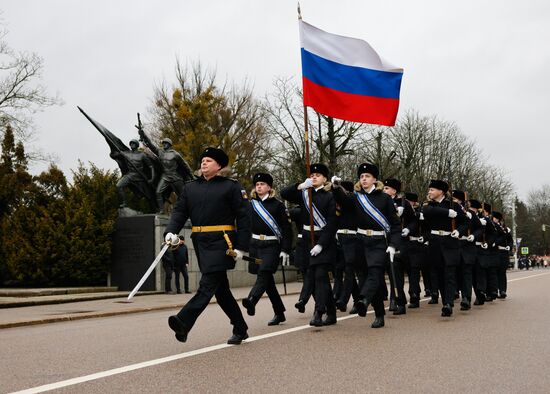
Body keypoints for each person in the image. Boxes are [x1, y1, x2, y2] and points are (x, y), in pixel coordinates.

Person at [165, 147, 251, 345]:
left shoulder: (231, 187)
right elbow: (179, 213)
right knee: (221, 291)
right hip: (201, 242)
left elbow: (244, 218)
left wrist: (241, 247)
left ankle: (184, 321)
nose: (204, 163)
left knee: (207, 285)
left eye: (209, 160)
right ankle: (240, 328)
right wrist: (170, 231)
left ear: (219, 166)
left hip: (223, 242)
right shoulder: (190, 188)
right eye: (203, 160)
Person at [333, 163, 401, 328]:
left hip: (378, 242)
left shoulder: (384, 198)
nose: (364, 179)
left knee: (375, 273)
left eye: (367, 176)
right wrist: (336, 187)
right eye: (362, 176)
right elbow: (343, 200)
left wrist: (393, 244)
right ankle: (378, 314)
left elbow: (395, 225)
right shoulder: (356, 197)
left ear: (374, 179)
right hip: (360, 242)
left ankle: (362, 300)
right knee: (365, 278)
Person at [281, 163, 338, 327]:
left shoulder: (330, 197)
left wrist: (321, 244)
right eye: (312, 175)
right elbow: (284, 193)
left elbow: (332, 223)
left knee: (320, 275)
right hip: (306, 238)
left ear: (325, 179)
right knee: (314, 277)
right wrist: (300, 186)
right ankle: (331, 312)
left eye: (318, 175)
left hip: (323, 239)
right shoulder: (304, 193)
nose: (314, 177)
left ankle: (318, 312)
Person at [242, 172, 292, 326]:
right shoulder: (251, 205)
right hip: (255, 245)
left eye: (262, 184)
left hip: (271, 246)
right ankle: (279, 313)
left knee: (264, 273)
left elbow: (286, 229)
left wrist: (285, 249)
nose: (259, 187)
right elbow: (245, 226)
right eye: (257, 185)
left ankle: (252, 300)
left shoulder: (278, 205)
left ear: (269, 187)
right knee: (267, 281)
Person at [422, 180, 468, 317]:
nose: (429, 192)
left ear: (441, 192)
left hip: (450, 242)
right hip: (435, 243)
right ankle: (445, 302)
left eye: (432, 190)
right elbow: (427, 216)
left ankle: (448, 303)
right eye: (429, 190)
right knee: (439, 275)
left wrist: (459, 231)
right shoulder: (428, 206)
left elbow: (465, 222)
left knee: (449, 274)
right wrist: (447, 213)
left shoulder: (454, 206)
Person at [138, 131, 194, 213]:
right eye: (163, 143)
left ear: (169, 144)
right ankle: (161, 210)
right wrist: (143, 134)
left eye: (165, 143)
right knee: (158, 192)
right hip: (165, 176)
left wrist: (192, 175)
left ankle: (189, 211)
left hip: (175, 177)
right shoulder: (160, 152)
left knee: (182, 196)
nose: (163, 144)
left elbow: (185, 165)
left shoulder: (175, 154)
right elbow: (150, 145)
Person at [383, 178, 415, 315]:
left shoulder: (404, 203)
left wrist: (408, 229)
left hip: (402, 241)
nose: (384, 190)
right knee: (394, 273)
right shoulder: (381, 201)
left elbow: (413, 220)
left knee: (406, 270)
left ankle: (413, 294)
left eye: (386, 188)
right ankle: (397, 301)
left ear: (394, 191)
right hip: (387, 240)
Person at [111, 139, 156, 209]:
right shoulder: (126, 153)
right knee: (118, 186)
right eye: (131, 143)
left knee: (148, 194)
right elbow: (113, 155)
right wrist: (115, 153)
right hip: (130, 175)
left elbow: (151, 166)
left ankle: (154, 206)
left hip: (139, 176)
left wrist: (152, 178)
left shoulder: (142, 155)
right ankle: (124, 203)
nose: (131, 145)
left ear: (137, 145)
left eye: (133, 143)